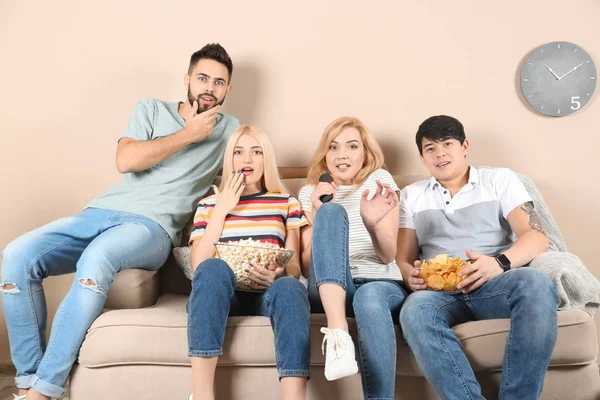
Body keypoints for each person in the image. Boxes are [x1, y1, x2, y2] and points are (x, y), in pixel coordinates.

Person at [1, 43, 240, 400]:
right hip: (101, 211)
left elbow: (259, 165)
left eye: (219, 82)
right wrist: (188, 134)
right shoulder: (150, 109)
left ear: (227, 91)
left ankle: (44, 392)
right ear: (187, 79)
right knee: (16, 256)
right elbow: (126, 160)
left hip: (152, 228)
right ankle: (27, 382)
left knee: (96, 259)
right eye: (203, 78)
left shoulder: (229, 128)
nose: (209, 87)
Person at [398, 115, 559, 400]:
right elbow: (404, 258)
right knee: (414, 310)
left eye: (448, 144)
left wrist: (498, 263)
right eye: (430, 148)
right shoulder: (411, 195)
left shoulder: (499, 179)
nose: (440, 153)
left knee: (535, 283)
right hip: (440, 293)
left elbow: (537, 237)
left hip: (493, 283)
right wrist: (410, 275)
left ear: (464, 146)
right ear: (422, 157)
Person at [187, 125, 310, 400]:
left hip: (267, 293)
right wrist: (222, 210)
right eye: (239, 152)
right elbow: (199, 266)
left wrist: (278, 275)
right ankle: (203, 395)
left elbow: (294, 267)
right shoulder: (209, 205)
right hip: (223, 294)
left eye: (256, 152)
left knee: (292, 288)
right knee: (212, 267)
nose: (247, 160)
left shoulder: (286, 202)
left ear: (266, 159)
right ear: (229, 159)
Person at [298, 116, 406, 399]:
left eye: (352, 146)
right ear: (325, 155)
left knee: (368, 298)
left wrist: (371, 223)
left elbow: (387, 255)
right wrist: (320, 211)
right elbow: (309, 266)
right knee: (332, 213)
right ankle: (337, 334)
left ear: (366, 154)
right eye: (333, 147)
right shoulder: (310, 193)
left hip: (377, 280)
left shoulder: (379, 180)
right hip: (328, 287)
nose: (342, 155)